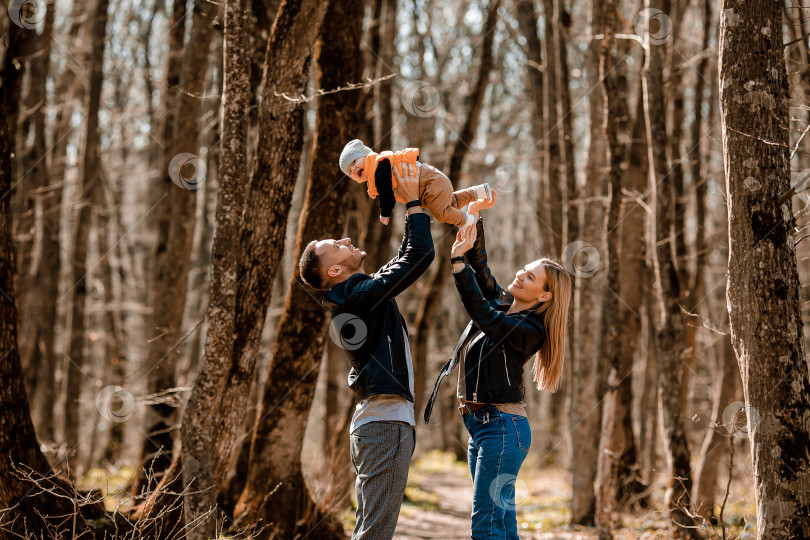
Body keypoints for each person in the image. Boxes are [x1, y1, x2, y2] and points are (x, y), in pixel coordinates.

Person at [424, 192, 572, 539]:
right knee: (501, 524)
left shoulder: (529, 330)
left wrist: (457, 265)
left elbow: (483, 314)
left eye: (530, 278)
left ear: (544, 296)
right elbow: (483, 272)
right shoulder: (506, 306)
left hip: (502, 428)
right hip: (485, 427)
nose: (520, 275)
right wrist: (472, 221)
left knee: (486, 525)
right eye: (524, 269)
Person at [298, 162, 434, 540]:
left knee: (371, 531)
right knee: (374, 535)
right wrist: (413, 202)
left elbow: (407, 257)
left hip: (382, 425)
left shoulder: (360, 294)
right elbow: (420, 255)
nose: (344, 239)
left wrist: (415, 207)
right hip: (384, 426)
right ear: (335, 272)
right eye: (335, 247)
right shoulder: (356, 299)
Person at [338, 138, 492, 228]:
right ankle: (477, 192)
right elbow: (383, 185)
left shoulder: (379, 164)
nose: (353, 169)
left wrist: (385, 212)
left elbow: (386, 192)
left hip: (430, 182)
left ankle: (470, 222)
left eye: (354, 162)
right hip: (430, 185)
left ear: (366, 155)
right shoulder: (376, 171)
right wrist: (374, 190)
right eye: (350, 172)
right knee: (450, 203)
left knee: (440, 213)